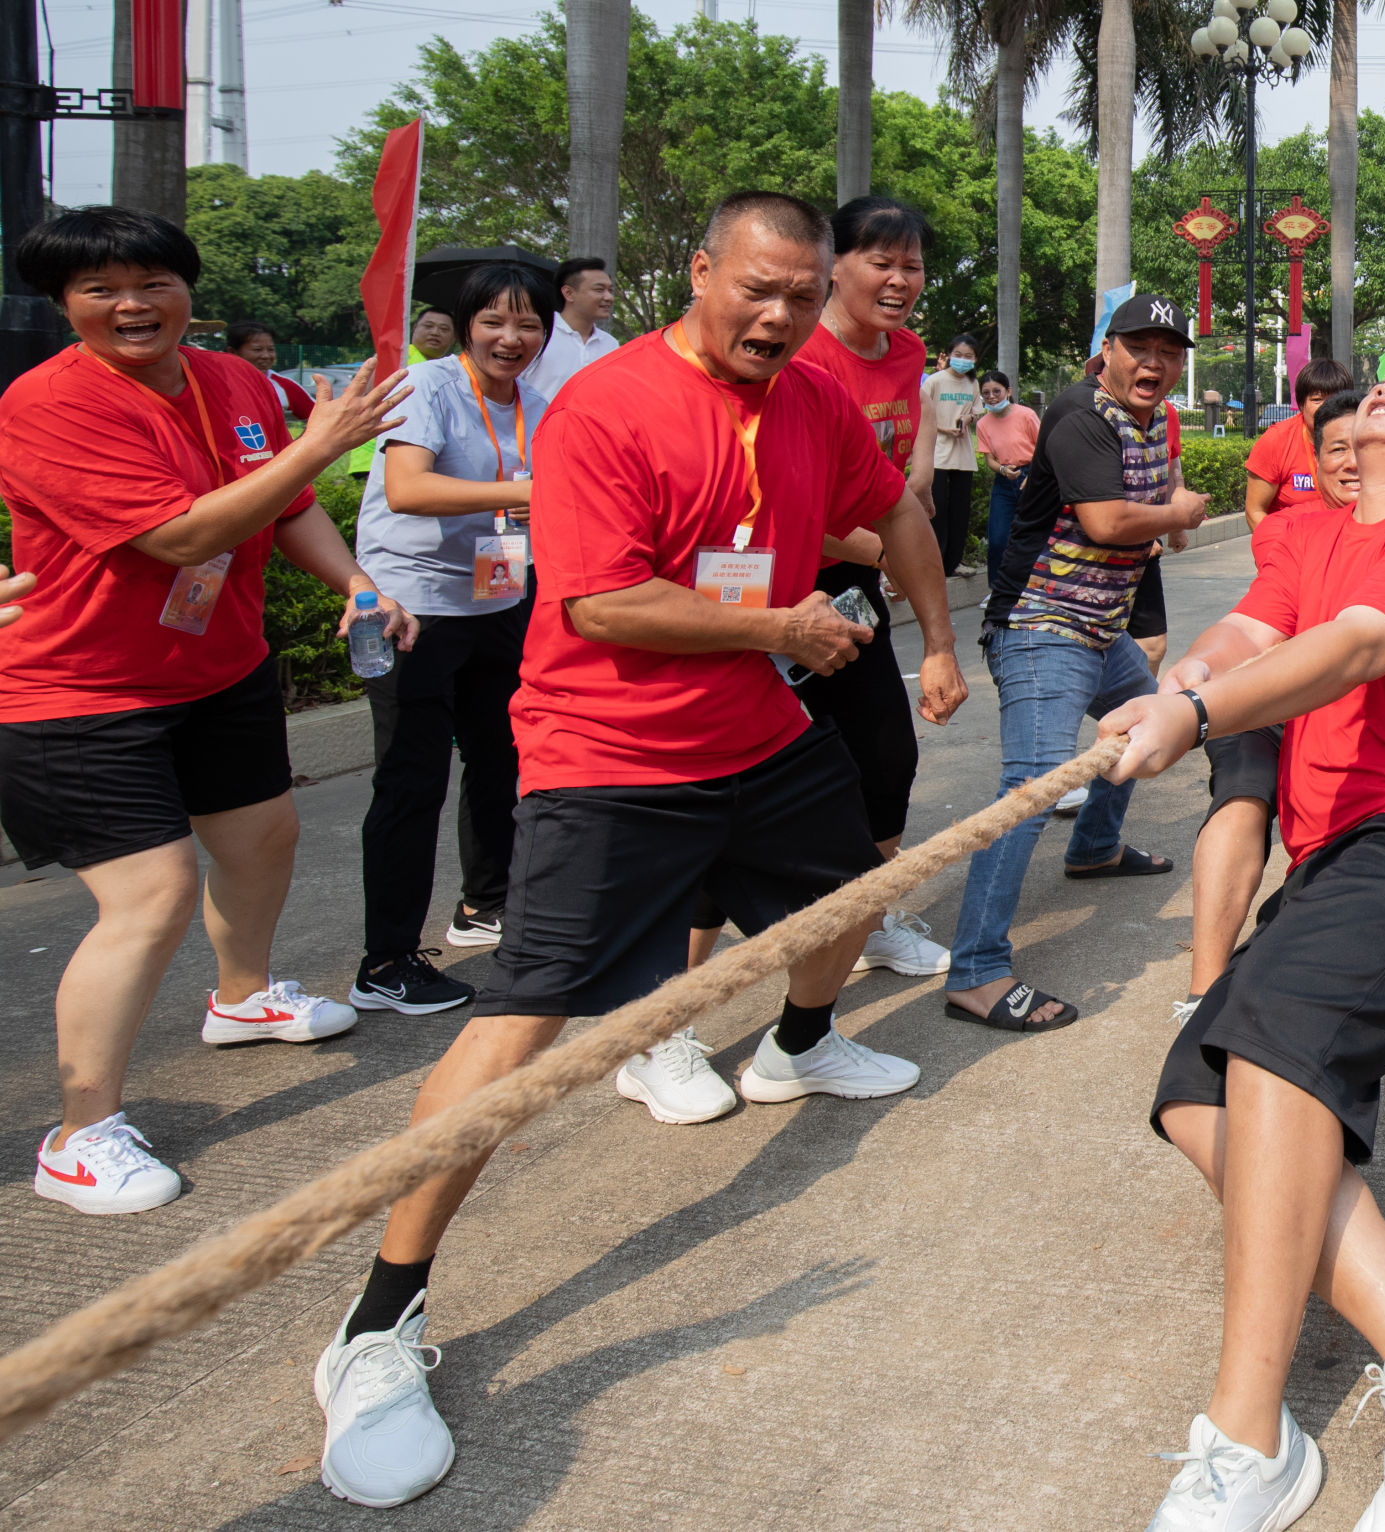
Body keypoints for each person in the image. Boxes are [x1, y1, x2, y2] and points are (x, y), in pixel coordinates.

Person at [308, 193, 929, 1508]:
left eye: (801, 295)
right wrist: (784, 632)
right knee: (521, 1032)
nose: (778, 315)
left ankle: (800, 1047)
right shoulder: (610, 407)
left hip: (759, 741)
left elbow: (896, 514)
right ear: (698, 272)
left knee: (859, 886)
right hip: (609, 757)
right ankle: (378, 1324)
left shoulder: (815, 405)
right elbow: (599, 599)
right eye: (754, 288)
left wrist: (935, 641)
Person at [1103, 354, 1385, 1531]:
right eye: (1384, 379)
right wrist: (1187, 672)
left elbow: (1353, 647)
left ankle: (1246, 1436)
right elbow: (1255, 625)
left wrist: (1194, 714)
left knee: (1277, 1053)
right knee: (1198, 1094)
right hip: (1343, 855)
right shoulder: (1308, 532)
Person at [0, 206, 412, 1216]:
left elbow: (281, 502)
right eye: (101, 291)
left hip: (215, 667)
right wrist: (318, 447)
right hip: (80, 688)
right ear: (65, 306)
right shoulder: (47, 405)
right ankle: (79, 1131)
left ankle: (242, 997)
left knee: (266, 834)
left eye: (153, 283)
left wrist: (354, 582)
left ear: (188, 288)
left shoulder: (229, 380)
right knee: (148, 895)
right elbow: (181, 538)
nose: (133, 306)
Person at [670, 196, 969, 1114]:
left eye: (912, 265)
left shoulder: (890, 363)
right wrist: (871, 548)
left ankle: (831, 986)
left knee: (882, 773)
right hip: (736, 626)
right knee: (716, 838)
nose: (899, 280)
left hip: (833, 611)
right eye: (878, 260)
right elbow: (607, 594)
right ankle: (663, 1036)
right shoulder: (767, 365)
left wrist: (937, 635)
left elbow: (893, 491)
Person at [943, 294, 1207, 1033]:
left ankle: (1093, 847)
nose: (1154, 362)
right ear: (1107, 351)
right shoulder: (1082, 413)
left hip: (1099, 628)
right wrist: (1178, 515)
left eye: (1168, 351)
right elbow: (1107, 521)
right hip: (1040, 627)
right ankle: (976, 972)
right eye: (1139, 347)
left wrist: (1169, 510)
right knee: (1028, 789)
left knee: (1149, 725)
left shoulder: (1151, 419)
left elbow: (1141, 509)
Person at [348, 262, 556, 1017]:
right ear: (465, 323)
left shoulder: (540, 402)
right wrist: (528, 493)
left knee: (502, 758)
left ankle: (482, 907)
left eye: (529, 324)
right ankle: (386, 962)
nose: (511, 338)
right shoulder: (426, 387)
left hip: (496, 597)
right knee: (411, 781)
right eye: (494, 322)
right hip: (412, 604)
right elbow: (410, 487)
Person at [1172, 388, 1364, 1027]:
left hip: (1363, 717)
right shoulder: (1293, 528)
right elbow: (1255, 622)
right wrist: (1199, 672)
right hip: (1274, 694)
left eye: (1370, 445)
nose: (1354, 461)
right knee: (1242, 791)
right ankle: (1203, 993)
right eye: (1339, 448)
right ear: (1316, 456)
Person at [1242, 358, 1358, 529]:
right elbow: (1255, 511)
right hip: (1289, 546)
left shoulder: (1366, 439)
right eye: (1317, 399)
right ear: (1302, 404)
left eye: (1335, 399)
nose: (1326, 407)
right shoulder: (1276, 440)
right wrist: (1280, 550)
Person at [924, 333, 983, 575]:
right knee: (936, 510)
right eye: (958, 355)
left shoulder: (972, 383)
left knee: (960, 513)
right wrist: (941, 427)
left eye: (968, 356)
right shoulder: (934, 381)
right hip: (936, 453)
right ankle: (934, 563)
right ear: (948, 355)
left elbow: (978, 409)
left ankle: (954, 562)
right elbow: (920, 413)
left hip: (963, 456)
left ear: (975, 360)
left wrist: (969, 417)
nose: (962, 360)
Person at [521, 255, 619, 400]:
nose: (608, 297)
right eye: (599, 290)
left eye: (610, 290)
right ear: (568, 293)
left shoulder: (610, 345)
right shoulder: (540, 334)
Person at [975, 367, 1038, 559]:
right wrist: (1003, 470)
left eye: (997, 391)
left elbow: (1044, 449)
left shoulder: (1026, 415)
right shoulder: (982, 424)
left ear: (1008, 392)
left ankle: (1030, 585)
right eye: (986, 393)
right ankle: (997, 587)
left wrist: (1034, 476)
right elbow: (990, 460)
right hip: (1003, 481)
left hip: (1030, 476)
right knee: (997, 540)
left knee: (1030, 536)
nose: (992, 397)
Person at [226, 320, 313, 423]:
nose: (266, 356)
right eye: (257, 350)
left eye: (271, 350)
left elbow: (321, 419)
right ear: (232, 352)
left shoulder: (284, 385)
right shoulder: (217, 382)